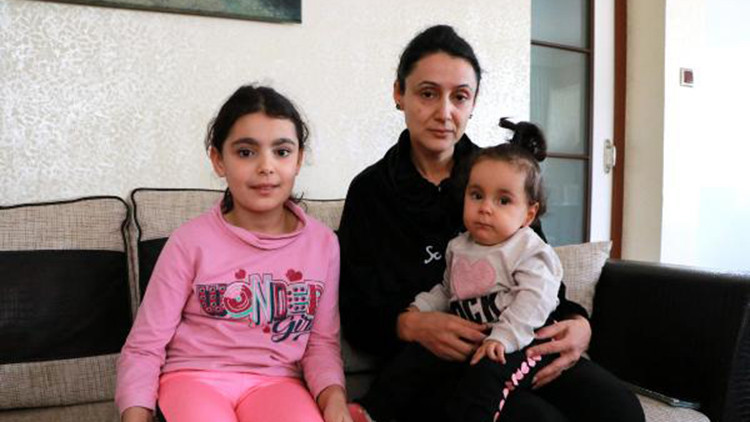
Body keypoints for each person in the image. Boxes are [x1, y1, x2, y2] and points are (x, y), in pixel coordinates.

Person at [338, 25, 644, 422]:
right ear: (400, 93)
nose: (444, 113)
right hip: (432, 366)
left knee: (620, 409)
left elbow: (540, 270)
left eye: (459, 96)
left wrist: (578, 323)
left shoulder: (500, 174)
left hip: (516, 343)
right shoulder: (371, 191)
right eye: (428, 93)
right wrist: (412, 325)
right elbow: (356, 311)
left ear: (473, 102)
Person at [116, 85, 352, 422]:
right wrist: (135, 415)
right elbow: (145, 345)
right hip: (192, 379)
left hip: (278, 383)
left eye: (282, 151)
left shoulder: (323, 244)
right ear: (218, 160)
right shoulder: (189, 242)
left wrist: (335, 401)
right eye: (245, 152)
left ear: (299, 159)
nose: (266, 166)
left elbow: (321, 345)